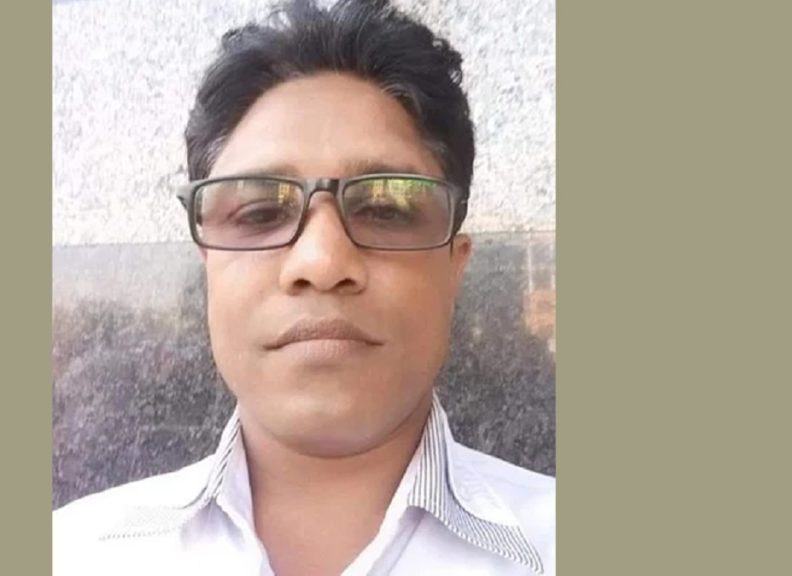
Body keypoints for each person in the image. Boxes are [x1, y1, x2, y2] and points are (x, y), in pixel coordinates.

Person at [53, 0, 555, 574]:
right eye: (261, 212)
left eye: (386, 208)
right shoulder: (72, 553)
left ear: (454, 265)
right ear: (208, 263)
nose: (321, 261)